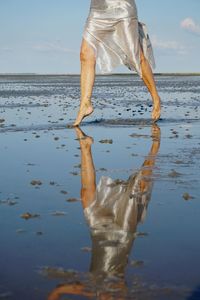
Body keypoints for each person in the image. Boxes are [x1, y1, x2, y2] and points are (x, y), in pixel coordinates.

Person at [48, 125, 161, 299]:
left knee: (86, 196)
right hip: (122, 235)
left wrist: (59, 291)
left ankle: (85, 147)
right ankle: (155, 145)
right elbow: (121, 286)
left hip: (98, 232)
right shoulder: (118, 295)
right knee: (139, 187)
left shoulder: (91, 292)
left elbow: (61, 290)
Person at [73, 0, 161, 126]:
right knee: (85, 53)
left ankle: (156, 98)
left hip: (122, 6)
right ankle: (85, 104)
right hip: (97, 9)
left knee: (136, 56)